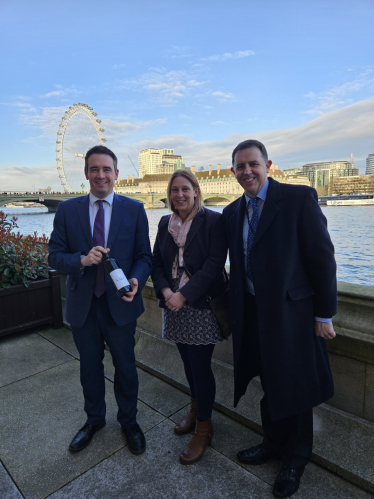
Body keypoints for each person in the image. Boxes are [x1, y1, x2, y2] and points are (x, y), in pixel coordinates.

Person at [223, 140, 337, 498]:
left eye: (253, 164)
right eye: (240, 167)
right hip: (253, 313)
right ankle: (272, 443)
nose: (247, 172)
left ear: (267, 164)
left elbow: (322, 260)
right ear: (233, 172)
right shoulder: (230, 213)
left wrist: (324, 314)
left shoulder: (299, 199)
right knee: (268, 382)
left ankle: (296, 459)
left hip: (294, 315)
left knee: (296, 387)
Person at [48, 145, 152, 455]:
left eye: (106, 169)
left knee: (126, 367)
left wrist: (137, 279)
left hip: (120, 304)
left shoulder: (134, 210)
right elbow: (54, 256)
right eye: (94, 169)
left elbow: (145, 257)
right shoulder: (67, 210)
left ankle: (129, 421)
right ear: (86, 174)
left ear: (117, 174)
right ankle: (94, 421)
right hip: (83, 306)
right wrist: (81, 260)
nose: (100, 175)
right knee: (89, 368)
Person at [151, 170, 227, 464]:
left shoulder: (214, 221)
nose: (179, 195)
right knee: (186, 363)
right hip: (173, 304)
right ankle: (195, 411)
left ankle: (204, 428)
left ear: (196, 191)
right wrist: (166, 291)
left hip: (201, 305)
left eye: (185, 189)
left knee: (200, 367)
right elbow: (156, 261)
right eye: (174, 190)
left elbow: (213, 266)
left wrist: (184, 295)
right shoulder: (163, 223)